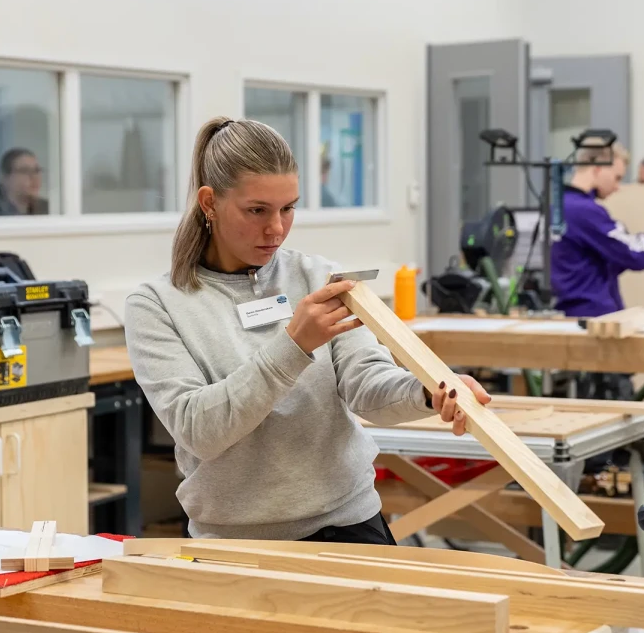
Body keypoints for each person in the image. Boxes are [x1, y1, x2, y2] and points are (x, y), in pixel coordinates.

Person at [124, 116, 490, 545]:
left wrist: (429, 391)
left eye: (288, 208)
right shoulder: (156, 305)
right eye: (257, 210)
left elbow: (367, 384)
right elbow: (200, 432)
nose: (276, 229)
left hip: (350, 521)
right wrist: (294, 345)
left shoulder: (319, 276)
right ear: (209, 203)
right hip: (238, 542)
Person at [551, 139, 644, 319]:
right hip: (594, 319)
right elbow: (634, 254)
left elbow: (609, 257)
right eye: (617, 177)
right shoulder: (584, 211)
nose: (617, 187)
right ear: (598, 169)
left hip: (578, 315)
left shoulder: (562, 207)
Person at [0, 148, 49, 217]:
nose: (34, 177)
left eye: (37, 170)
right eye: (25, 171)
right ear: (5, 178)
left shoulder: (47, 208)